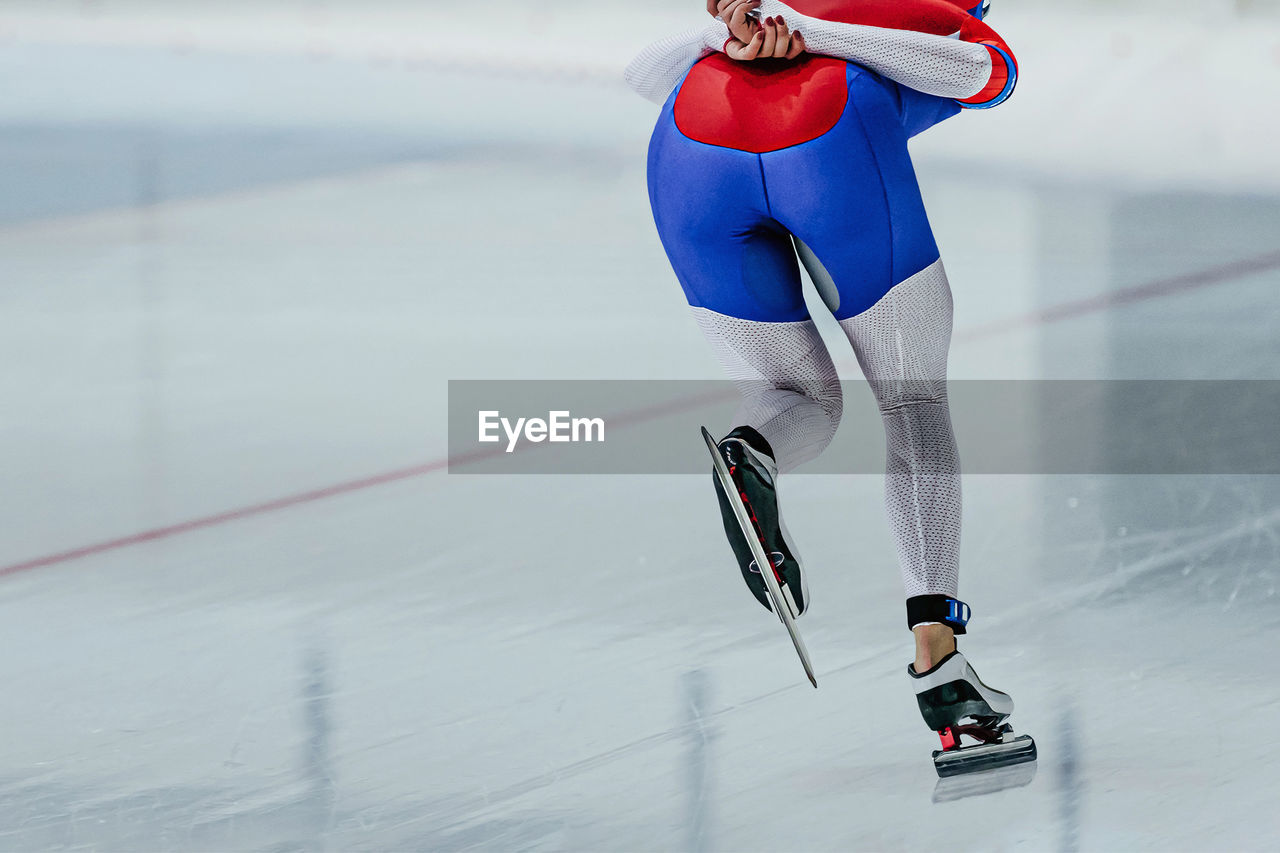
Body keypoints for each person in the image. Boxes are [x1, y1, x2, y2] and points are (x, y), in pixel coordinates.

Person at [626, 0, 1023, 745]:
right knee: (913, 404)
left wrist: (733, 35)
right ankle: (938, 659)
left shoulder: (761, 6)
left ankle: (754, 451)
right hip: (833, 141)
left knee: (794, 397)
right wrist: (813, 39)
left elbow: (643, 73)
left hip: (689, 150)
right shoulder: (942, 11)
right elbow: (985, 74)